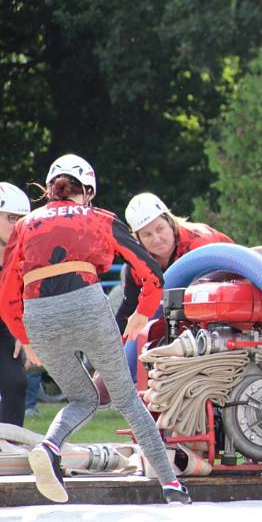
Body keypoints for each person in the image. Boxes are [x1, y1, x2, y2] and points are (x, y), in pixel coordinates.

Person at [0, 154, 190, 504]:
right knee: (128, 400)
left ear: (50, 188)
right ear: (87, 190)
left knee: (82, 398)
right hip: (86, 304)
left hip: (39, 317)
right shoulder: (98, 217)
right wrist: (140, 314)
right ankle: (172, 487)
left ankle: (48, 446)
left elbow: (7, 293)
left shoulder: (26, 224)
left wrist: (25, 338)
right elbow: (151, 273)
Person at [115, 192, 233, 381]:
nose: (156, 238)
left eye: (160, 228)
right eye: (147, 234)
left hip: (220, 300)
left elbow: (215, 291)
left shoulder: (200, 242)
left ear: (171, 222)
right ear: (137, 239)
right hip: (178, 312)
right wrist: (112, 356)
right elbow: (128, 311)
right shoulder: (137, 264)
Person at [0, 182, 32, 427]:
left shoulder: (29, 254)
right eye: (12, 218)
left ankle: (9, 448)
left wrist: (27, 331)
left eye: (23, 219)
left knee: (16, 382)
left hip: (7, 327)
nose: (18, 225)